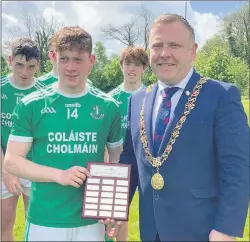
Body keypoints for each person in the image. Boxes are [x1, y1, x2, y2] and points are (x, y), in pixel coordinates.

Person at [119, 13, 249, 241]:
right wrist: (116, 207)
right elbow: (130, 158)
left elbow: (238, 168)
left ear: (193, 50)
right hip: (151, 230)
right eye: (157, 45)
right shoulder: (138, 99)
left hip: (202, 231)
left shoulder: (220, 96)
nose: (164, 53)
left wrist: (226, 228)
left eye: (174, 45)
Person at [4, 26, 123, 241]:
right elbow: (12, 161)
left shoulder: (109, 107)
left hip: (91, 221)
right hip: (45, 218)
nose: (70, 67)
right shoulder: (30, 105)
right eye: (64, 58)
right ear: (53, 57)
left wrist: (110, 205)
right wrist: (60, 175)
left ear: (92, 60)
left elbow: (115, 159)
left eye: (78, 59)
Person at [1, 37, 48, 241]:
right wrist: (6, 171)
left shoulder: (45, 93)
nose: (24, 72)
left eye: (30, 66)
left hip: (33, 166)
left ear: (38, 64)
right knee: (5, 223)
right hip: (4, 164)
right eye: (19, 65)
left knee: (36, 224)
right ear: (9, 60)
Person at [106, 46, 148, 241]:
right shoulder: (110, 99)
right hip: (121, 160)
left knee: (151, 212)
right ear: (121, 66)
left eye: (137, 64)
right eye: (128, 64)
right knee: (118, 213)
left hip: (147, 160)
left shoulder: (151, 95)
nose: (132, 69)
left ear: (144, 68)